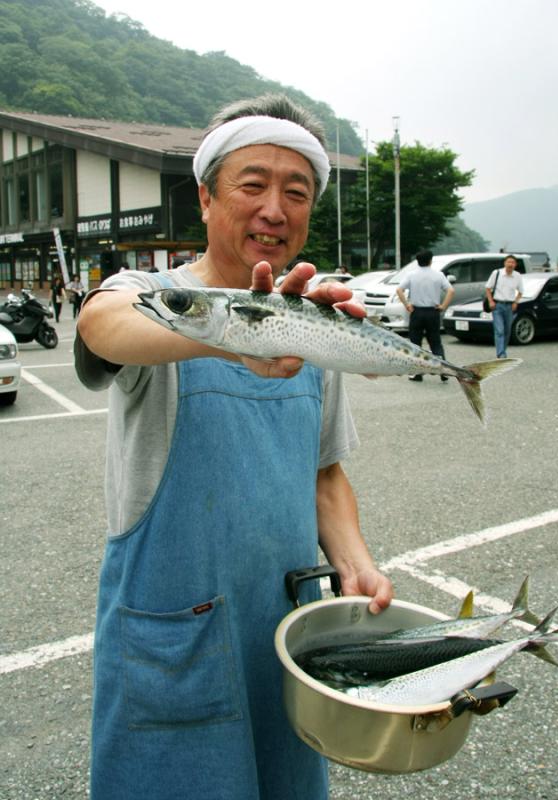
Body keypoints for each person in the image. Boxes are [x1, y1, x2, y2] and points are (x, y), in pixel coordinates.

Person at [75, 94, 393, 800]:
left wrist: (356, 564)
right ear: (207, 197)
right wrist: (232, 333)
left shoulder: (310, 324)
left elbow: (325, 475)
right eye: (253, 184)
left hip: (284, 637)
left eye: (296, 191)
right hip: (172, 637)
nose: (275, 209)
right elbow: (102, 326)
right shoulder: (154, 295)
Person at [395, 249, 455, 382]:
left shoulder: (412, 275)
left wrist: (407, 304)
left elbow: (399, 289)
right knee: (435, 342)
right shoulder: (438, 275)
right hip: (433, 312)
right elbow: (451, 290)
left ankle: (417, 373)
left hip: (416, 312)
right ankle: (443, 371)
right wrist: (443, 306)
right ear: (430, 260)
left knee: (415, 343)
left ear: (417, 261)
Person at [485, 254, 524, 358]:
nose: (510, 264)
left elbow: (520, 292)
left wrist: (516, 302)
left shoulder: (517, 276)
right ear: (505, 263)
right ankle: (501, 354)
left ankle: (503, 350)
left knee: (507, 330)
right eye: (508, 262)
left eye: (512, 262)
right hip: (497, 305)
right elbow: (488, 288)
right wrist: (490, 301)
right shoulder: (496, 273)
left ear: (515, 264)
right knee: (499, 330)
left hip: (509, 306)